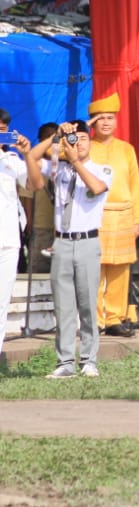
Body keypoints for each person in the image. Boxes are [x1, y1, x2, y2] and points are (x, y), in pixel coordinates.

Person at [24, 120, 112, 378]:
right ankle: (65, 362)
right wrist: (56, 138)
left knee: (87, 304)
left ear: (90, 142)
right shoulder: (58, 168)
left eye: (83, 138)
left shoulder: (102, 169)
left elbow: (96, 189)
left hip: (87, 242)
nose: (78, 144)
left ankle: (89, 359)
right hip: (61, 242)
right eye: (75, 139)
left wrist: (75, 162)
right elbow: (32, 158)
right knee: (63, 306)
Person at [86, 92, 139, 339]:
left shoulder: (127, 149)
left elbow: (135, 185)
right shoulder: (85, 147)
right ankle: (95, 319)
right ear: (92, 122)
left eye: (110, 118)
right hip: (95, 216)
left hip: (123, 215)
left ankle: (114, 319)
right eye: (100, 119)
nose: (106, 122)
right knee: (96, 269)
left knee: (120, 270)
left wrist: (138, 219)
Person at [0, 113, 28, 360]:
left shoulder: (11, 159)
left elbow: (32, 181)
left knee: (2, 299)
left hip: (8, 240)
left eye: (4, 128)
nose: (2, 132)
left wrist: (27, 152)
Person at [17, 122, 58, 274]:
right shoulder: (33, 165)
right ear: (40, 140)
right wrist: (30, 224)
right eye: (47, 137)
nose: (51, 140)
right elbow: (27, 198)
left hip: (59, 227)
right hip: (40, 225)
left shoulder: (64, 162)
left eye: (54, 137)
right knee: (38, 268)